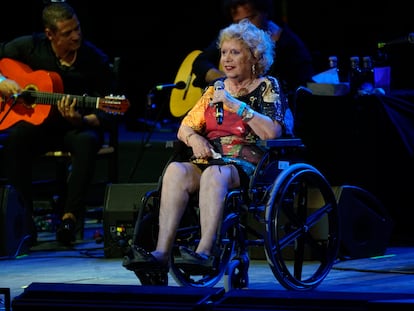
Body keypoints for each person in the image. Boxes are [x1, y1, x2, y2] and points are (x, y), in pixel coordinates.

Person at [123, 19, 293, 275]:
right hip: (211, 158)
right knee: (176, 172)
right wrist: (195, 139)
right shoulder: (215, 89)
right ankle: (161, 253)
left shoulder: (267, 87)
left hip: (248, 165)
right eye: (224, 52)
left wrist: (235, 105)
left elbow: (273, 131)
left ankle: (205, 252)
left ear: (254, 56)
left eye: (235, 52)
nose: (226, 58)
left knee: (215, 174)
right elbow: (184, 127)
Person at [0, 2, 114, 246]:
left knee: (86, 142)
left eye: (77, 29)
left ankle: (69, 219)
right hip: (37, 126)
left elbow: (110, 111)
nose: (76, 36)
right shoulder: (28, 47)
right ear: (50, 34)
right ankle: (24, 219)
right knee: (14, 141)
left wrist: (83, 119)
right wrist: (1, 81)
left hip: (73, 127)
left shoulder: (94, 59)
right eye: (67, 33)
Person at [192, 0, 314, 107]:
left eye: (250, 18)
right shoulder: (234, 37)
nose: (245, 26)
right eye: (238, 21)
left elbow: (303, 91)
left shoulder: (291, 46)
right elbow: (200, 62)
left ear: (265, 13)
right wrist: (224, 80)